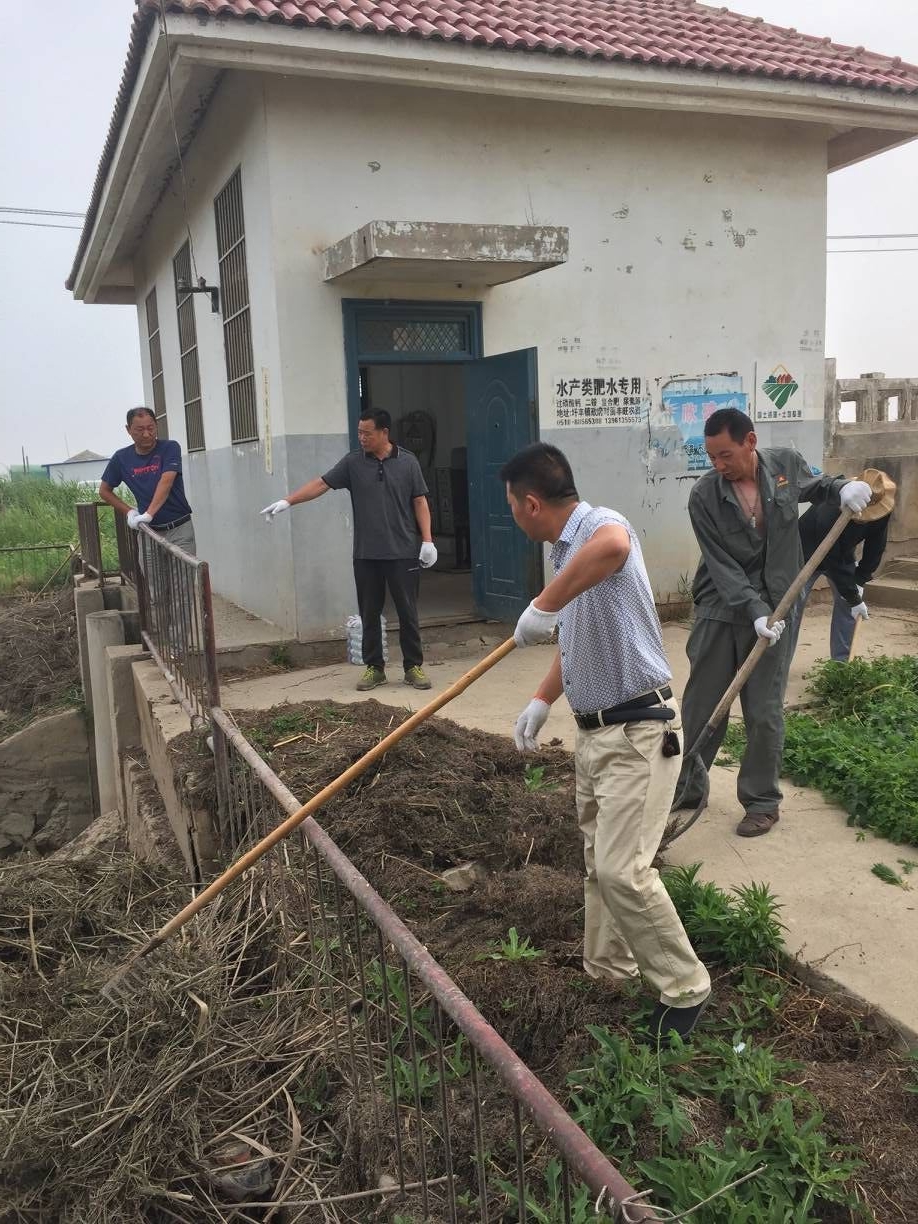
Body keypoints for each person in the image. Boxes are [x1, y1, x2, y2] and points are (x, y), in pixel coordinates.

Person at [503, 442, 711, 1042]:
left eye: (511, 505)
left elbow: (616, 545)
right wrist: (542, 700)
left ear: (531, 503)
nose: (512, 515)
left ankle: (686, 987)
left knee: (625, 871)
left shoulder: (600, 527)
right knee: (600, 866)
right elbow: (576, 643)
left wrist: (543, 603)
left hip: (639, 731)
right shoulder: (566, 556)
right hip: (595, 733)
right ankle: (609, 973)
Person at [677, 407, 873, 838]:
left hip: (780, 606)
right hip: (720, 607)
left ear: (750, 441)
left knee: (764, 711)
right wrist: (753, 609)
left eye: (725, 455)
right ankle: (687, 787)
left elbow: (817, 485)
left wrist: (843, 487)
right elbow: (721, 565)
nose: (718, 465)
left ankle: (762, 802)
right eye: (711, 457)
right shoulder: (704, 495)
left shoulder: (784, 464)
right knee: (702, 704)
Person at [260, 409, 437, 691]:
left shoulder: (408, 462)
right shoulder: (353, 463)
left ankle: (413, 667)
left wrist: (427, 540)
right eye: (359, 432)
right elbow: (321, 484)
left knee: (408, 612)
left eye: (367, 433)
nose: (362, 438)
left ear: (384, 433)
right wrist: (288, 501)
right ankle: (374, 668)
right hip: (366, 554)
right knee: (369, 613)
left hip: (403, 552)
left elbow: (419, 501)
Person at [99, 408, 195, 647]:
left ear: (156, 426)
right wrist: (130, 512)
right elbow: (104, 491)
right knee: (156, 591)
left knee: (181, 591)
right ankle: (161, 644)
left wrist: (149, 513)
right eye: (139, 429)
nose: (146, 434)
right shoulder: (122, 459)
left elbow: (166, 480)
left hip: (179, 528)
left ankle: (178, 648)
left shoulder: (169, 448)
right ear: (128, 430)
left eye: (151, 428)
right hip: (150, 534)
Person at [791, 492, 892, 662]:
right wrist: (852, 595)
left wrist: (860, 579)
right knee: (791, 608)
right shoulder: (831, 507)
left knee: (849, 607)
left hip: (842, 554)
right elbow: (831, 556)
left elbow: (876, 545)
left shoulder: (882, 508)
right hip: (805, 554)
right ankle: (779, 666)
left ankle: (841, 664)